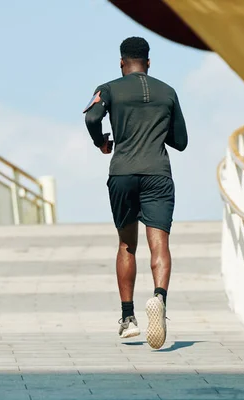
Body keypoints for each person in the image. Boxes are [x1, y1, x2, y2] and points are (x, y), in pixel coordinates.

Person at [83, 36, 188, 349]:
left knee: (127, 245)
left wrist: (101, 142)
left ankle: (128, 318)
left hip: (123, 173)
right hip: (157, 172)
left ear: (121, 62)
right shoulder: (167, 92)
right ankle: (159, 298)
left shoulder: (110, 88)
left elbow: (91, 116)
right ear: (149, 62)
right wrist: (155, 123)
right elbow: (180, 141)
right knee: (160, 245)